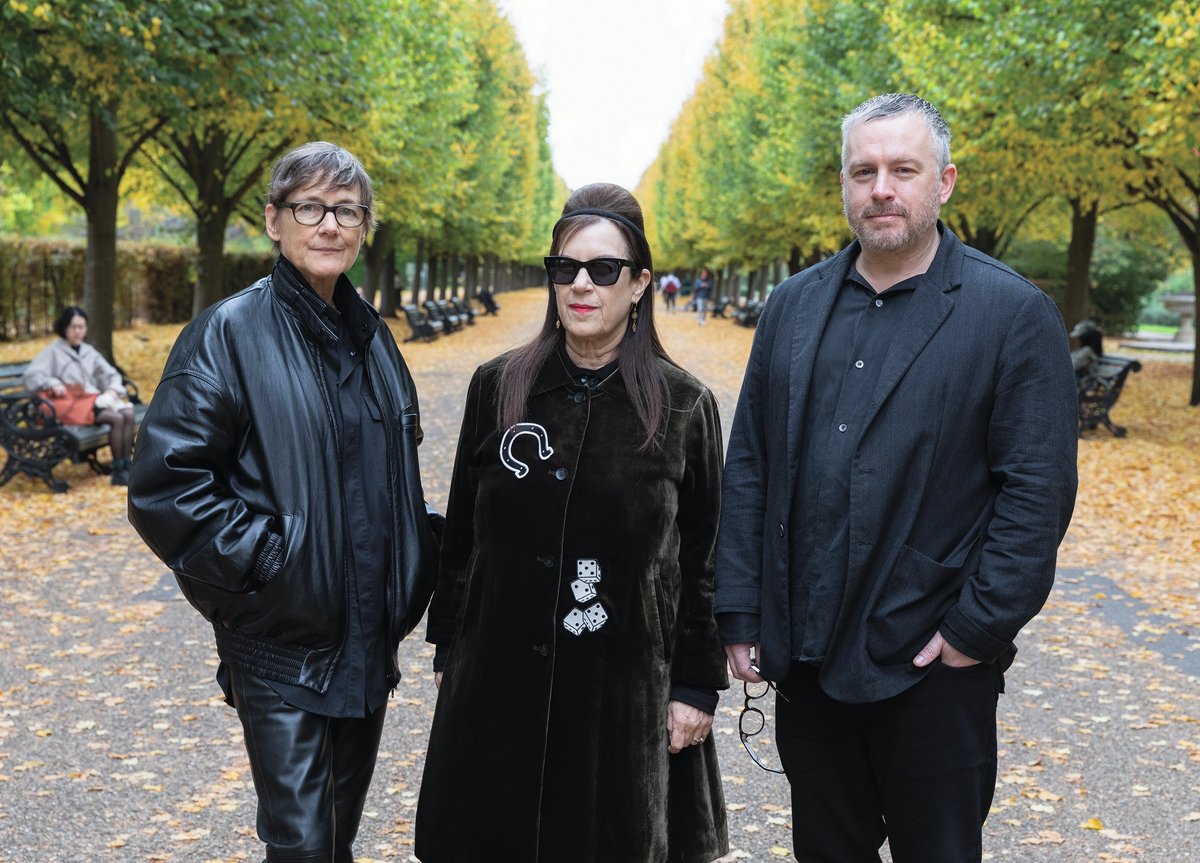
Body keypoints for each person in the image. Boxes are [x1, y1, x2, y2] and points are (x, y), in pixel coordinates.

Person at [714, 93, 1078, 863]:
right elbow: (749, 463)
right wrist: (742, 609)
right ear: (845, 185)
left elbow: (1037, 492)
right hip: (808, 658)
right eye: (864, 171)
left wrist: (973, 632)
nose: (881, 188)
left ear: (943, 181)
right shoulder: (792, 306)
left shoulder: (1011, 313)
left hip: (931, 666)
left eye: (903, 170)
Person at [127, 142, 441, 863]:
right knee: (302, 844)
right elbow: (164, 486)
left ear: (364, 228)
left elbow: (392, 477)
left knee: (335, 837)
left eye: (347, 211)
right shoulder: (228, 334)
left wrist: (416, 558)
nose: (329, 224)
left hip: (367, 639)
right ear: (274, 220)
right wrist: (272, 562)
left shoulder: (375, 341)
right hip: (280, 647)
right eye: (310, 207)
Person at [415, 183, 729, 863]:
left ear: (640, 283)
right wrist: (448, 650)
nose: (582, 284)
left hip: (622, 695)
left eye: (604, 269)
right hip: (496, 681)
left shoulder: (683, 406)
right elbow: (462, 537)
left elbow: (704, 559)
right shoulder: (497, 387)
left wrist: (695, 687)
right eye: (566, 268)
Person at [23, 306, 136, 486]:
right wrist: (52, 383)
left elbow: (111, 375)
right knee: (117, 419)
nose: (77, 331)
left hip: (91, 401)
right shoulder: (53, 352)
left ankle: (127, 466)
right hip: (70, 407)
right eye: (73, 327)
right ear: (64, 327)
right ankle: (118, 471)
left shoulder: (88, 351)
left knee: (128, 414)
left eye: (81, 327)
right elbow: (31, 376)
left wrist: (113, 390)